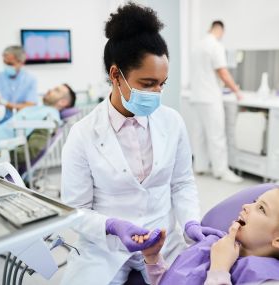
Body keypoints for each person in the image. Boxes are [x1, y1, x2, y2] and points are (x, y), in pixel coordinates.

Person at [60, 2, 200, 285]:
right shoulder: (83, 134)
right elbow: (75, 210)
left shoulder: (172, 122)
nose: (157, 93)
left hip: (164, 243)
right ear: (116, 75)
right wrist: (111, 226)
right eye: (148, 84)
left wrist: (191, 224)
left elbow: (182, 183)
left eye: (162, 83)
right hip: (105, 248)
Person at [139, 187, 279, 285]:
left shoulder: (265, 279)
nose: (246, 206)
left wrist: (219, 268)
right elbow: (174, 281)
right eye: (255, 201)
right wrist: (153, 259)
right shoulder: (213, 244)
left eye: (261, 208)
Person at [190, 21, 243, 183]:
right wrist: (237, 91)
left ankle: (200, 167)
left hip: (197, 96)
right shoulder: (215, 45)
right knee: (217, 135)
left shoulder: (197, 46)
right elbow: (223, 72)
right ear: (220, 30)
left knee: (200, 135)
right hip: (210, 97)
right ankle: (221, 171)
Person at [0, 83, 76, 164]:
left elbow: (32, 149)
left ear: (62, 102)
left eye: (56, 90)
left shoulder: (50, 118)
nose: (50, 90)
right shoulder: (38, 109)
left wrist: (0, 155)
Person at [0, 45, 38, 123]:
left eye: (10, 64)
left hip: (22, 122)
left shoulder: (30, 80)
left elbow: (29, 106)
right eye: (5, 62)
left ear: (21, 63)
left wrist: (5, 103)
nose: (6, 66)